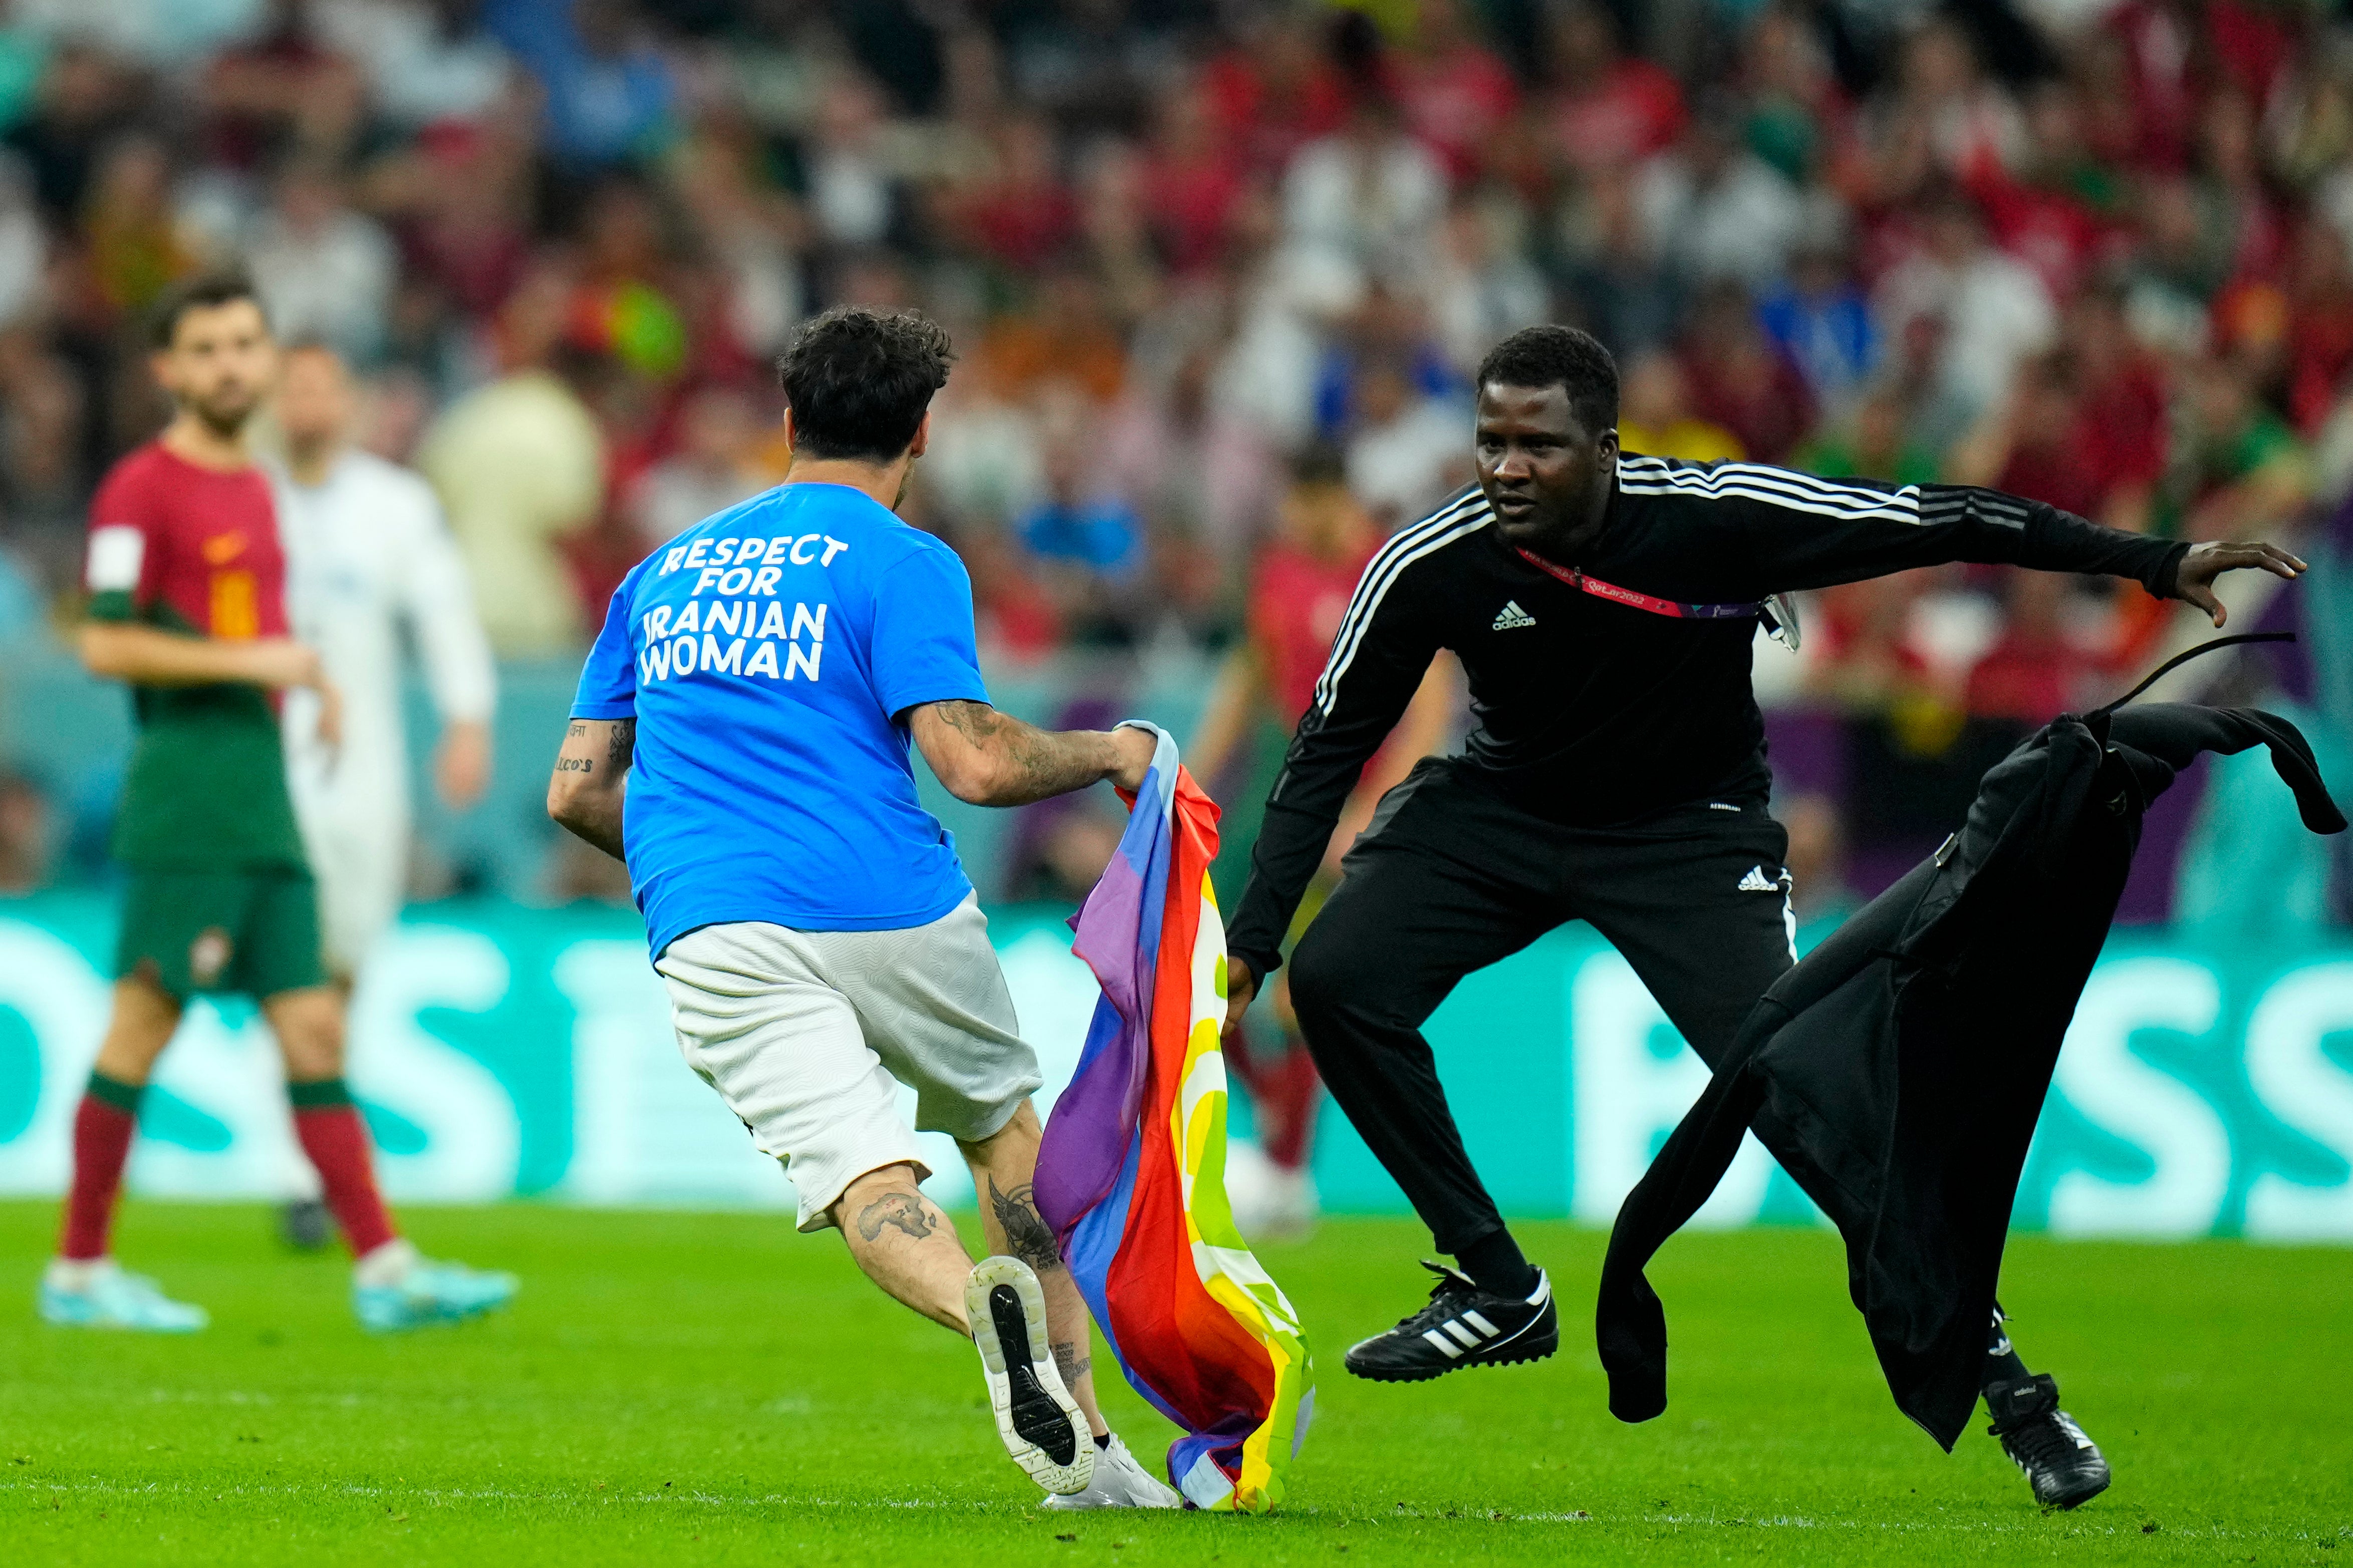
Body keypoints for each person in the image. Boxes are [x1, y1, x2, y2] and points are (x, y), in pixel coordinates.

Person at [1219, 324, 2304, 1506]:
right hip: (1502, 814)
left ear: (1608, 449)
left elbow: (1934, 516)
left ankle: (2011, 1393)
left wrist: (2150, 560)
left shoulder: (1718, 518)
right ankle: (1495, 1285)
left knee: (1814, 1102)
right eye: (1492, 440)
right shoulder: (1434, 560)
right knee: (1337, 981)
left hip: (1690, 839)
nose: (1508, 466)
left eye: (1539, 443)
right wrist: (1252, 944)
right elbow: (1324, 748)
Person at [546, 306, 1178, 1510]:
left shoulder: (661, 571)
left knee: (869, 1182)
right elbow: (975, 764)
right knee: (1001, 1138)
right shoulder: (906, 562)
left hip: (716, 920)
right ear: (923, 435)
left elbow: (575, 791)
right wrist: (1108, 751)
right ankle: (1093, 1452)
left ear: (788, 422)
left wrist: (698, 845)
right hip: (891, 899)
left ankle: (972, 1314)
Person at [39, 273, 517, 1335]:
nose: (231, 366)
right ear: (167, 370)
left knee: (312, 1031)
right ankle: (78, 1269)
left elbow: (259, 637)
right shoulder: (142, 489)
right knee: (140, 1025)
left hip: (268, 796)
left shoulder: (257, 491)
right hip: (195, 797)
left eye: (244, 345)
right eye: (205, 349)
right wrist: (258, 659)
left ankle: (384, 1267)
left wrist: (309, 685)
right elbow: (104, 639)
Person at [1188, 447, 1453, 1239]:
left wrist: (1374, 809)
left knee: (1309, 988)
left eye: (1312, 501)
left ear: (1340, 497)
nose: (1300, 519)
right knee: (1208, 976)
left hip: (1362, 808)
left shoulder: (1390, 573)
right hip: (1282, 802)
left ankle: (1289, 1171)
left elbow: (1428, 703)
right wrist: (1183, 787)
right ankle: (1274, 1117)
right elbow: (1247, 686)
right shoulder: (1275, 575)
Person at [271, 339, 498, 1248]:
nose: (306, 406)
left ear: (350, 401)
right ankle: (300, 1174)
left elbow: (442, 612)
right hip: (266, 768)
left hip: (364, 778)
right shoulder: (248, 499)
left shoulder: (394, 506)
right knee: (288, 966)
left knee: (346, 969)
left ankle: (311, 1159)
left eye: (321, 389)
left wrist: (468, 717)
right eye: (292, 389)